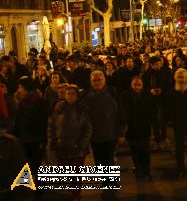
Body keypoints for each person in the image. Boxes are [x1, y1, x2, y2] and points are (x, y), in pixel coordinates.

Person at [81, 70, 125, 200]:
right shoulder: (86, 95)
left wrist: (121, 132)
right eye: (94, 80)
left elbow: (120, 113)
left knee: (109, 161)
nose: (97, 82)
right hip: (95, 136)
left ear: (104, 80)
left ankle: (110, 187)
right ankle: (108, 183)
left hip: (110, 134)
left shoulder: (112, 93)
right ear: (91, 82)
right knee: (100, 162)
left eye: (99, 79)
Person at [50, 85, 92, 201]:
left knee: (76, 173)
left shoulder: (82, 110)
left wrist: (80, 144)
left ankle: (76, 195)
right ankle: (70, 191)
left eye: (73, 94)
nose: (70, 96)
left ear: (77, 96)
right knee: (66, 171)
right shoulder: (58, 109)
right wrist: (53, 142)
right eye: (68, 94)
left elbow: (87, 129)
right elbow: (51, 126)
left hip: (77, 149)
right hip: (62, 147)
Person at [12, 76, 49, 198]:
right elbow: (19, 121)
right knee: (27, 164)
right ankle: (32, 187)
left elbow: (45, 123)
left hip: (37, 140)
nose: (19, 89)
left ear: (27, 88)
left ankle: (40, 189)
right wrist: (13, 135)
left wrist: (43, 140)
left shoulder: (41, 103)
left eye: (21, 87)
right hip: (24, 139)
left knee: (35, 165)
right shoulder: (23, 102)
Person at [121, 77, 153, 180]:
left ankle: (146, 169)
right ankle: (139, 170)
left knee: (144, 150)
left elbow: (153, 111)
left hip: (144, 127)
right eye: (135, 85)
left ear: (142, 85)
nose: (137, 87)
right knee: (134, 150)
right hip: (131, 128)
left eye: (139, 85)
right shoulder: (125, 95)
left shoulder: (148, 95)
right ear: (131, 84)